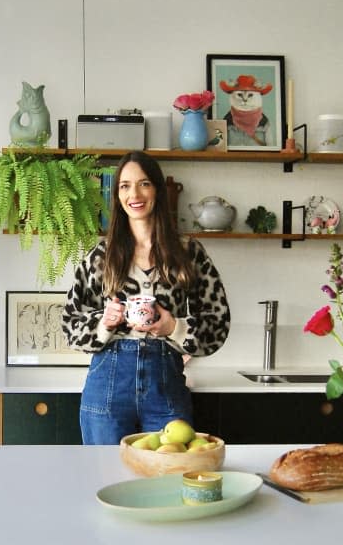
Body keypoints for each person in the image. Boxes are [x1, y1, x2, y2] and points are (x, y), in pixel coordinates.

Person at [62, 150, 231, 444]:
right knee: (105, 477)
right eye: (125, 186)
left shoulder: (187, 253)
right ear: (117, 195)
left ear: (157, 189)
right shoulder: (101, 256)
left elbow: (218, 323)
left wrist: (173, 327)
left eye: (143, 184)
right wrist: (104, 323)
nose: (134, 194)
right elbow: (70, 322)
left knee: (167, 479)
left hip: (165, 382)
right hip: (108, 384)